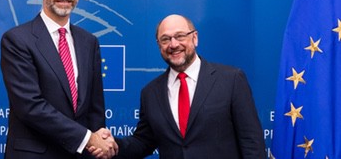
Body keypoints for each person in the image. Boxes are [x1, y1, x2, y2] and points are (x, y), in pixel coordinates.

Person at [95, 14, 265, 158]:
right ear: (159, 45)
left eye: (180, 36)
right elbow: (143, 142)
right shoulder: (150, 93)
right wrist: (112, 144)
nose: (174, 44)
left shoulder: (231, 80)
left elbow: (251, 141)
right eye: (165, 39)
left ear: (195, 38)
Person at [0, 0, 117, 159]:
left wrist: (99, 141)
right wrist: (88, 138)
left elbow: (95, 107)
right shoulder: (17, 40)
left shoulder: (89, 42)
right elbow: (30, 106)